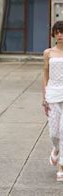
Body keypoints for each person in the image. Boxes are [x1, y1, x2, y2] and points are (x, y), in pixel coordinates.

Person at [43, 20, 63, 182]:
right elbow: (45, 74)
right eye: (57, 32)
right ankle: (56, 149)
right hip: (52, 94)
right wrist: (44, 97)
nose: (60, 35)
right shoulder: (48, 53)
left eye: (62, 32)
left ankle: (61, 166)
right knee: (54, 133)